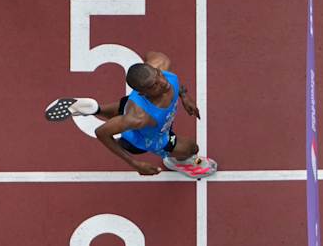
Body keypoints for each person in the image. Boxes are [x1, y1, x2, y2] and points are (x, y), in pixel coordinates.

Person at [45, 50, 217, 180]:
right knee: (191, 148)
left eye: (158, 76)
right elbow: (101, 133)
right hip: (151, 137)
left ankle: (95, 109)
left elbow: (150, 55)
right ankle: (177, 162)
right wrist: (134, 164)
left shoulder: (161, 63)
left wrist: (185, 96)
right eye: (154, 86)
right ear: (142, 92)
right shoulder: (138, 117)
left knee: (122, 108)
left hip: (132, 106)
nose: (163, 83)